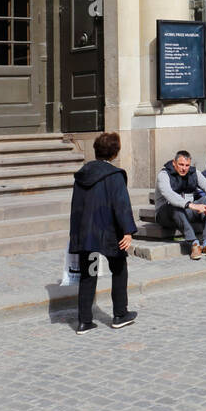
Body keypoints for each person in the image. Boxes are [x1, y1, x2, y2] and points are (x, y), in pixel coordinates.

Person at [69, 132, 138, 334]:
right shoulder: (115, 175)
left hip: (87, 232)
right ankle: (120, 314)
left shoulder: (82, 174)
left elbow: (76, 207)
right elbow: (121, 205)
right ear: (115, 153)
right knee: (119, 268)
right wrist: (127, 231)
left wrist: (76, 234)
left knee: (88, 274)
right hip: (108, 232)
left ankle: (84, 321)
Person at [156, 150, 206, 260]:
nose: (184, 168)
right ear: (174, 163)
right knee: (175, 205)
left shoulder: (194, 173)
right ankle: (194, 243)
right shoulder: (163, 174)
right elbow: (169, 195)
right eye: (181, 164)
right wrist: (192, 205)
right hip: (165, 214)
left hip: (186, 212)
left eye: (187, 165)